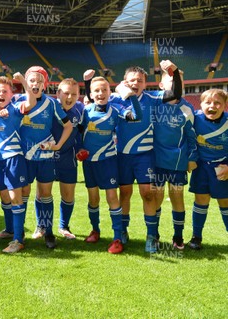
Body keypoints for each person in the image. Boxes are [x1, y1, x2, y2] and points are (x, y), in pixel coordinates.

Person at [106, 65, 181, 250]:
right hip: (123, 155)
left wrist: (175, 72)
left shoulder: (153, 98)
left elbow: (176, 94)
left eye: (140, 80)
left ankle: (151, 236)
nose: (136, 83)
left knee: (148, 194)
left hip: (145, 155)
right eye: (132, 80)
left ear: (145, 83)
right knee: (124, 193)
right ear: (125, 82)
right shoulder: (115, 99)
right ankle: (123, 230)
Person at [77, 77, 142, 254]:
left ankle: (116, 237)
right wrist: (79, 148)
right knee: (93, 199)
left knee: (112, 197)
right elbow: (78, 133)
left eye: (104, 90)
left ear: (109, 92)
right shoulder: (86, 111)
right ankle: (95, 230)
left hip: (108, 160)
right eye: (96, 90)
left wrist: (131, 97)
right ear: (91, 94)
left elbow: (137, 116)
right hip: (90, 162)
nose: (100, 93)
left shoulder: (116, 111)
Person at [15, 67, 73, 249]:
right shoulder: (19, 100)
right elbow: (25, 107)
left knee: (46, 193)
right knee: (23, 193)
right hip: (24, 156)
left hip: (46, 156)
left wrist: (58, 145)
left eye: (40, 81)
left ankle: (48, 231)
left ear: (45, 85)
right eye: (32, 80)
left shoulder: (53, 104)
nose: (36, 84)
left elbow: (68, 126)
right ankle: (19, 232)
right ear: (27, 82)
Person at [151, 60, 197, 252]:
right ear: (161, 86)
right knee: (156, 198)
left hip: (177, 162)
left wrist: (192, 158)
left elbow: (192, 136)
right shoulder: (154, 103)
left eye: (180, 81)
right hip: (156, 161)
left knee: (177, 198)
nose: (178, 84)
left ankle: (178, 237)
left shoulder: (187, 109)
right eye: (172, 80)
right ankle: (154, 235)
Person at [0, 76, 35, 253]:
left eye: (5, 91)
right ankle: (9, 230)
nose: (1, 94)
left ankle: (18, 239)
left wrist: (23, 82)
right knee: (5, 198)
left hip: (13, 157)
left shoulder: (15, 109)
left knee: (15, 198)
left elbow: (30, 101)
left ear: (11, 94)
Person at [187, 89, 228, 250]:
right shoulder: (195, 118)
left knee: (225, 201)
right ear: (201, 105)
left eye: (217, 103)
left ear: (224, 105)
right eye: (208, 102)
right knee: (201, 200)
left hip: (222, 166)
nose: (212, 106)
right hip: (201, 166)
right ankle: (196, 237)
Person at [51, 77, 84, 240]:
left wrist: (79, 150)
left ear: (78, 96)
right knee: (43, 193)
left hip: (67, 157)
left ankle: (64, 226)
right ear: (58, 93)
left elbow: (80, 135)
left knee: (68, 194)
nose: (69, 97)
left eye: (74, 94)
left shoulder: (80, 110)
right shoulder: (49, 107)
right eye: (66, 93)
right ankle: (41, 226)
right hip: (47, 157)